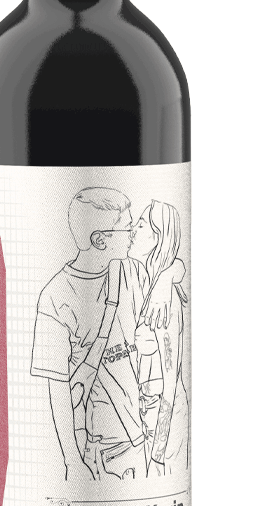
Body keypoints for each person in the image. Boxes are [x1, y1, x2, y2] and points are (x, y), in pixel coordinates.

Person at [31, 188, 183, 481]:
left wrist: (165, 279)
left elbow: (174, 262)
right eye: (127, 228)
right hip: (98, 448)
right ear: (100, 240)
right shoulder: (55, 298)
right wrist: (73, 462)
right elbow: (57, 389)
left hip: (140, 438)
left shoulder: (132, 271)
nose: (133, 234)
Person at [129, 200, 189, 476]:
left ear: (157, 237)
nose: (132, 229)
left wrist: (158, 452)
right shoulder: (150, 284)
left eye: (141, 225)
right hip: (148, 411)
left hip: (164, 419)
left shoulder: (165, 302)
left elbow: (171, 378)